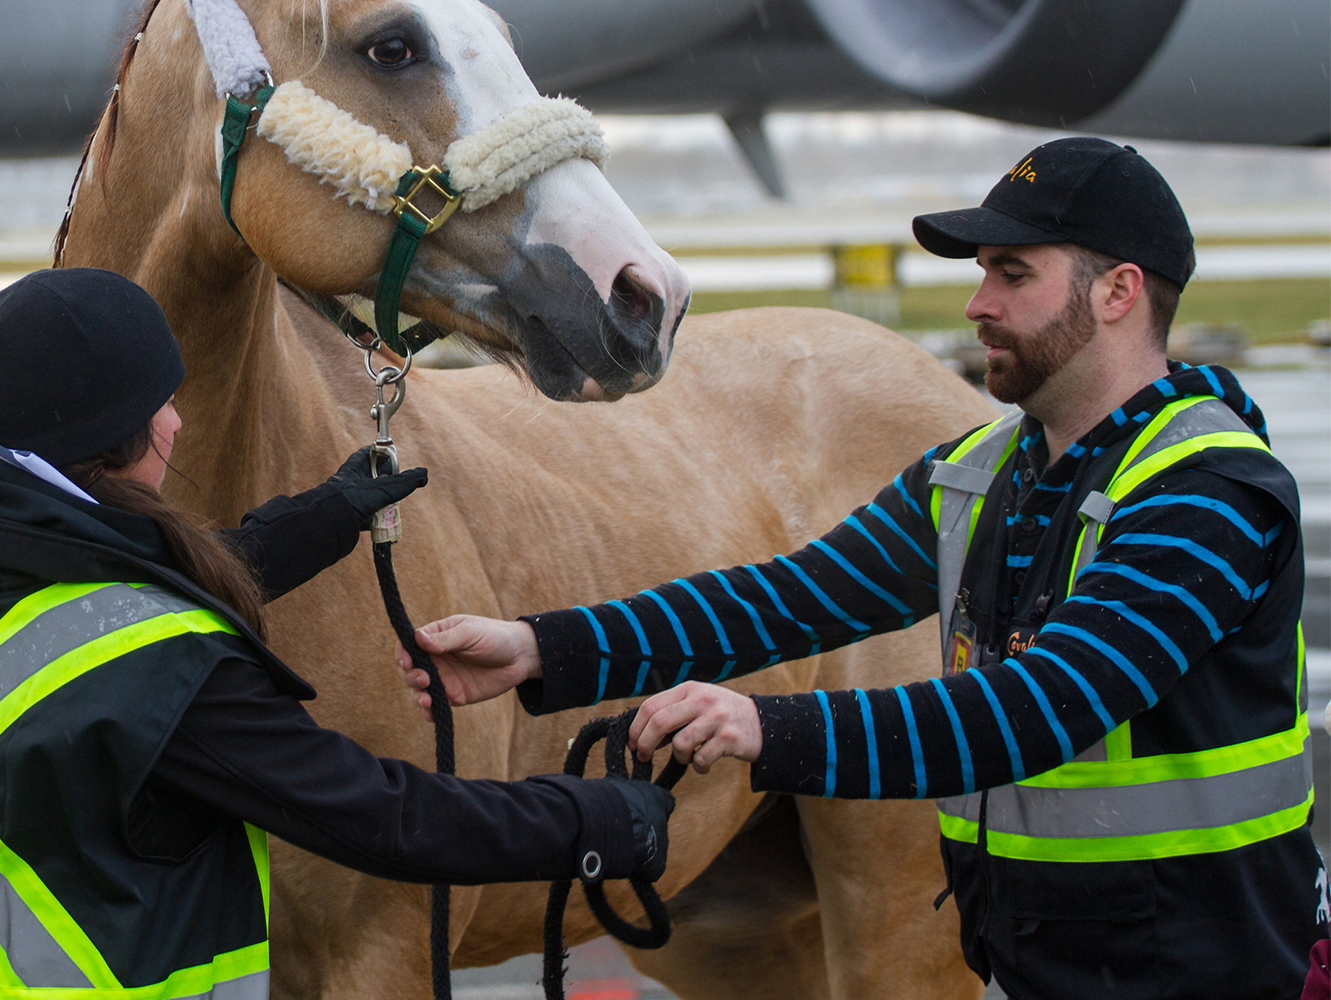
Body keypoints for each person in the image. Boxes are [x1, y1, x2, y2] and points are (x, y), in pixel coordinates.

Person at [401, 138, 1323, 998]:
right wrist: (543, 649)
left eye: (1013, 275)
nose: (978, 305)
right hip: (1044, 958)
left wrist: (764, 728)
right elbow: (786, 600)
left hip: (1207, 966)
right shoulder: (983, 473)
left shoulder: (1206, 492)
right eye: (979, 276)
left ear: (1119, 292)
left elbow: (1035, 712)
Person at [0, 267, 674, 999]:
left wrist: (316, 521)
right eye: (153, 405)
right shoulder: (168, 677)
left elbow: (71, 614)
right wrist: (597, 821)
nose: (174, 421)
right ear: (105, 440)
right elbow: (387, 818)